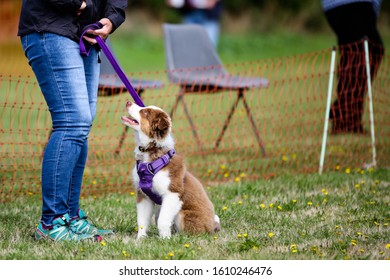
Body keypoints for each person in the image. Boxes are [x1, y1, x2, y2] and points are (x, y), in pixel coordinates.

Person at [18, 0, 127, 241]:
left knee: (81, 125)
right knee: (72, 122)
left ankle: (70, 217)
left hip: (87, 31)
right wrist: (80, 4)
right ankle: (51, 223)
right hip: (51, 27)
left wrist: (111, 19)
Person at [322, 0, 385, 134]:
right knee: (367, 52)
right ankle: (344, 114)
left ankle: (346, 116)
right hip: (353, 4)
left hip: (347, 6)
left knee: (353, 56)